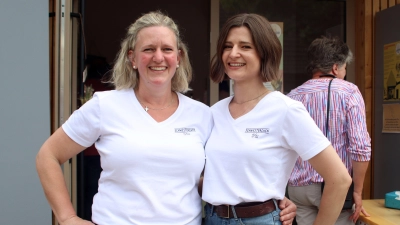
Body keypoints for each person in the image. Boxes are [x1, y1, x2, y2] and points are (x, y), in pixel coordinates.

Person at [36, 11, 296, 225]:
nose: (158, 57)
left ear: (178, 58)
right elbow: (48, 156)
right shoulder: (105, 106)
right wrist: (67, 217)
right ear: (132, 58)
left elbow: (212, 178)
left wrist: (266, 202)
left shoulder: (202, 115)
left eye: (167, 49)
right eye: (148, 49)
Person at [201, 13, 352, 225]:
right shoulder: (213, 113)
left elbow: (340, 179)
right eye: (228, 46)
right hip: (212, 218)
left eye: (245, 47)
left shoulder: (285, 110)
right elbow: (216, 178)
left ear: (265, 53)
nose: (234, 53)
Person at [287, 36, 372, 225]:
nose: (344, 72)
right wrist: (357, 191)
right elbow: (360, 147)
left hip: (299, 189)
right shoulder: (349, 92)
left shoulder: (292, 96)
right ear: (335, 67)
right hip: (336, 186)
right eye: (344, 68)